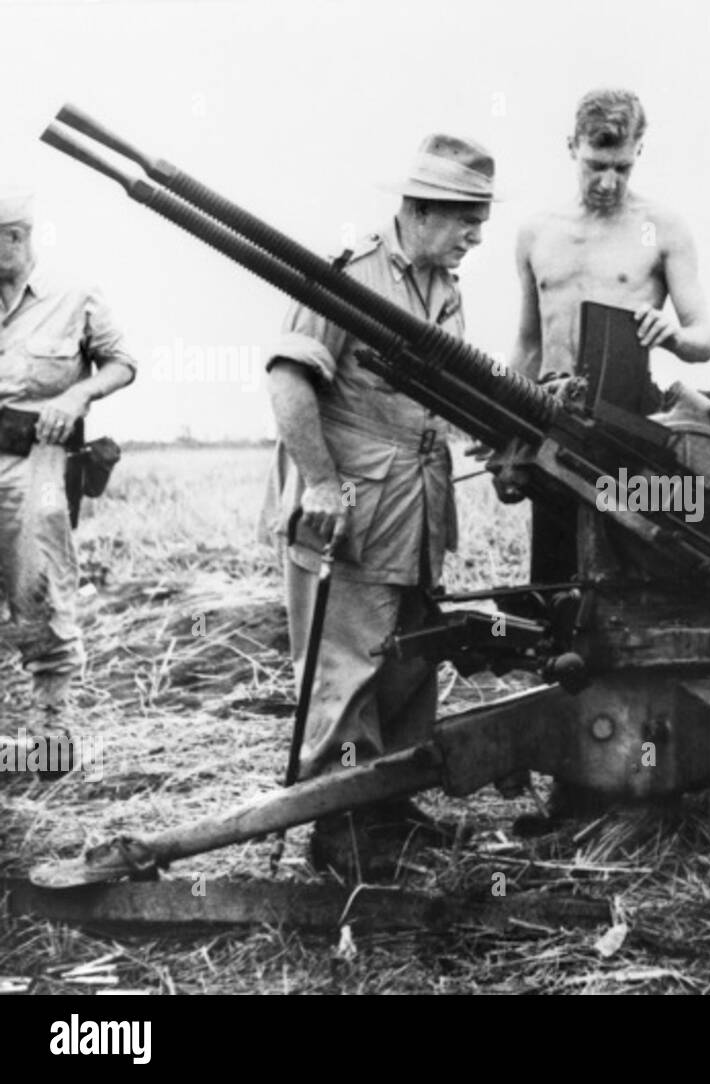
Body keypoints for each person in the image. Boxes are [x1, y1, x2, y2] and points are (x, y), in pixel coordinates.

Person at [260, 135, 495, 877]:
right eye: (465, 219)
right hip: (353, 507)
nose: (475, 236)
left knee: (410, 657)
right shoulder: (348, 276)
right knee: (347, 661)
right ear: (420, 210)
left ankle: (388, 802)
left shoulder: (446, 288)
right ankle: (339, 822)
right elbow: (288, 381)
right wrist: (323, 484)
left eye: (482, 220)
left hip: (417, 503)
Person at [495, 88, 710, 576]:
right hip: (549, 419)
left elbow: (705, 339)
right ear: (570, 146)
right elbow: (529, 343)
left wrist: (673, 336)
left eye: (622, 167)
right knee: (554, 583)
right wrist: (504, 432)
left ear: (640, 150)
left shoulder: (663, 228)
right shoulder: (537, 232)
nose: (608, 181)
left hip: (630, 425)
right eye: (596, 164)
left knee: (630, 573)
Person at [0, 188, 136, 727]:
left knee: (42, 592)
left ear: (15, 238)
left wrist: (76, 395)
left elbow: (121, 362)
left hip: (40, 460)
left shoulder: (74, 295)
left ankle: (51, 736)